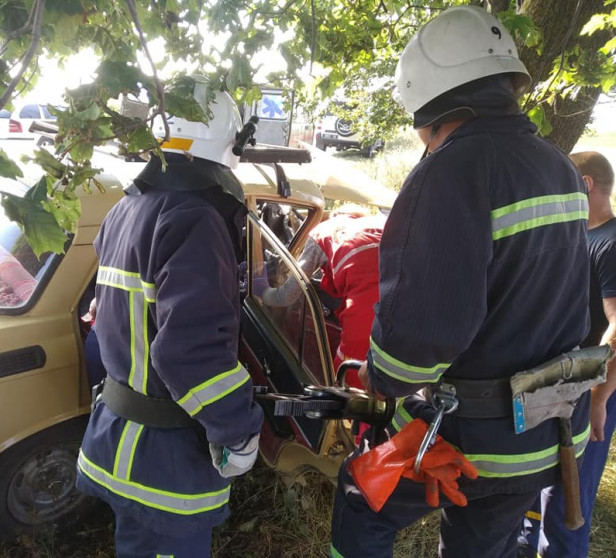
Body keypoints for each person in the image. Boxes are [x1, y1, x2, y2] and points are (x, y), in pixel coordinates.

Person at [329, 6, 591, 558]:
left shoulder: (450, 173)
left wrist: (380, 380)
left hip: (472, 440)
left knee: (362, 499)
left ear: (424, 104)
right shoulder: (558, 166)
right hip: (545, 434)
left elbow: (418, 342)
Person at [75, 80, 264, 558]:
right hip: (165, 461)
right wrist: (238, 428)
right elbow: (190, 353)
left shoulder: (127, 208)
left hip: (118, 439)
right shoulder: (194, 218)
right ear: (228, 143)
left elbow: (112, 314)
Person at [531, 151, 616, 557]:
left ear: (584, 184)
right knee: (537, 483)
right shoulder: (579, 236)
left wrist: (600, 396)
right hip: (561, 382)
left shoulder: (613, 243)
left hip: (592, 387)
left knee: (568, 496)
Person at [260, 205, 384, 385]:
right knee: (395, 378)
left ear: (334, 216)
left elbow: (287, 295)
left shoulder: (324, 232)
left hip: (368, 315)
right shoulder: (377, 225)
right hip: (410, 312)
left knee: (345, 376)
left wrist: (260, 292)